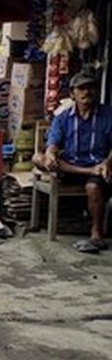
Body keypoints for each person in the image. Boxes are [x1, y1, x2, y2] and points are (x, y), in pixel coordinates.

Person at [36, 69, 112, 253]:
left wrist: (107, 162)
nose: (87, 92)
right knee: (38, 158)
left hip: (99, 168)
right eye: (82, 88)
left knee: (93, 188)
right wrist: (51, 154)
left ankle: (96, 232)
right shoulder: (63, 118)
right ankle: (88, 171)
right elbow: (53, 142)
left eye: (91, 88)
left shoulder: (107, 114)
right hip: (71, 167)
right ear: (72, 93)